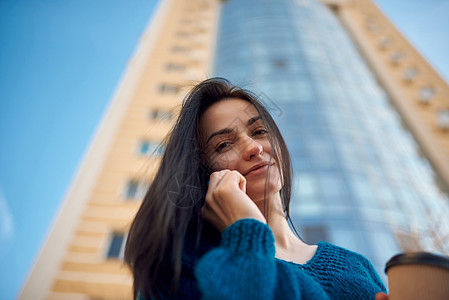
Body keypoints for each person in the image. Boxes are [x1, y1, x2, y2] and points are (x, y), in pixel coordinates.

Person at [124, 78, 388, 299]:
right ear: (202, 173)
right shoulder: (187, 264)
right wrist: (246, 230)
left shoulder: (356, 266)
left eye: (259, 131)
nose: (254, 147)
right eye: (224, 145)